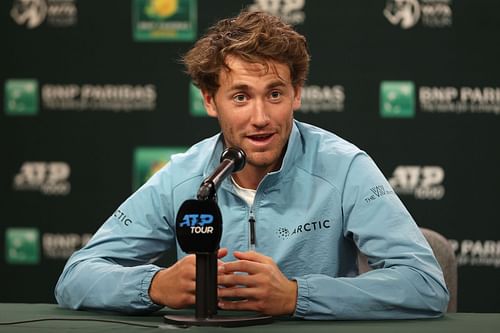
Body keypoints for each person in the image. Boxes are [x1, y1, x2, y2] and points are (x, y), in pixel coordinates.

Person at [55, 10, 449, 320]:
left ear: (296, 94)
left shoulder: (345, 167)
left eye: (274, 93)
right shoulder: (185, 177)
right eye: (241, 97)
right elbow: (76, 277)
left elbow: (425, 284)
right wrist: (155, 286)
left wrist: (297, 296)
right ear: (210, 101)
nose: (261, 117)